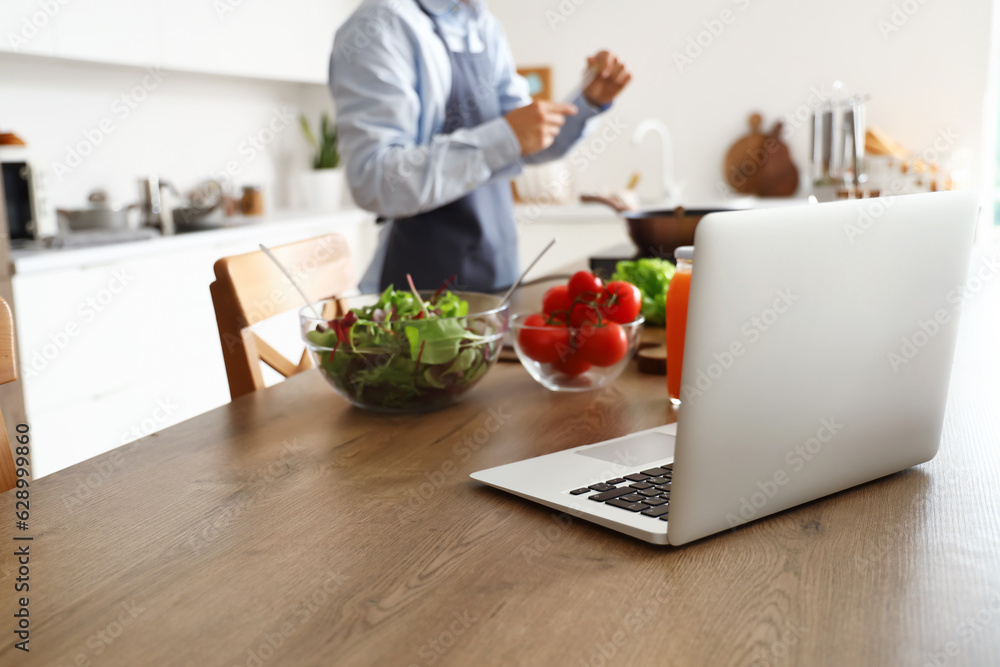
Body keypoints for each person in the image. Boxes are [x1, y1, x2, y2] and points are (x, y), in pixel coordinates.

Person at [330, 0, 631, 292]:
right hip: (423, 289)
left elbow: (529, 141)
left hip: (499, 269)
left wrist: (589, 102)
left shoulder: (483, 25)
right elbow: (375, 179)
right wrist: (506, 138)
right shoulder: (380, 25)